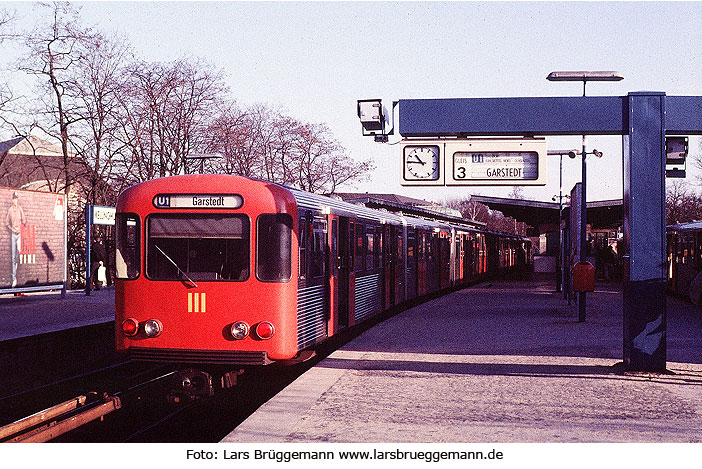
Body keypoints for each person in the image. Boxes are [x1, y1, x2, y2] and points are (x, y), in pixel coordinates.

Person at [5, 191, 26, 288]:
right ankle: (14, 278)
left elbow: (24, 221)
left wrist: (21, 228)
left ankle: (18, 272)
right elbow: (7, 223)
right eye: (14, 199)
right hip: (13, 234)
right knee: (13, 256)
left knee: (19, 253)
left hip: (19, 233)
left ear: (17, 200)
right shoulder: (10, 210)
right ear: (12, 200)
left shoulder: (20, 209)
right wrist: (12, 228)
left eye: (16, 199)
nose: (15, 201)